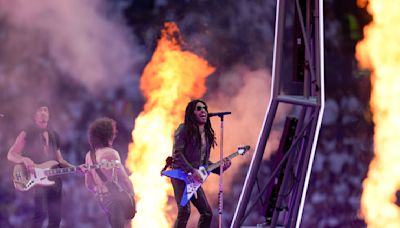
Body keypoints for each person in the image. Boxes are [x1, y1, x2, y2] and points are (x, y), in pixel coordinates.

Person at [7, 103, 74, 228]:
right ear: (34, 115)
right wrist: (24, 159)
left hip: (55, 180)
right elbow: (11, 154)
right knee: (40, 215)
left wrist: (75, 168)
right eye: (39, 110)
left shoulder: (54, 135)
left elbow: (60, 160)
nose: (43, 113)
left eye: (45, 110)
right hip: (37, 180)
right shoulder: (27, 133)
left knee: (56, 219)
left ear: (48, 115)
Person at [170, 99, 231, 228]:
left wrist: (220, 168)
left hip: (193, 178)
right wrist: (192, 170)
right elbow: (177, 154)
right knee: (184, 212)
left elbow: (203, 162)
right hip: (180, 175)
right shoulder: (183, 129)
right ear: (192, 113)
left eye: (204, 108)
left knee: (207, 213)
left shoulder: (207, 135)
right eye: (199, 108)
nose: (203, 110)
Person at [82, 117, 135, 228]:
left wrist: (100, 191)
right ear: (108, 135)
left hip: (103, 201)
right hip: (116, 200)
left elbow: (89, 185)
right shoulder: (111, 153)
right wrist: (131, 197)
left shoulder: (89, 155)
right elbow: (125, 179)